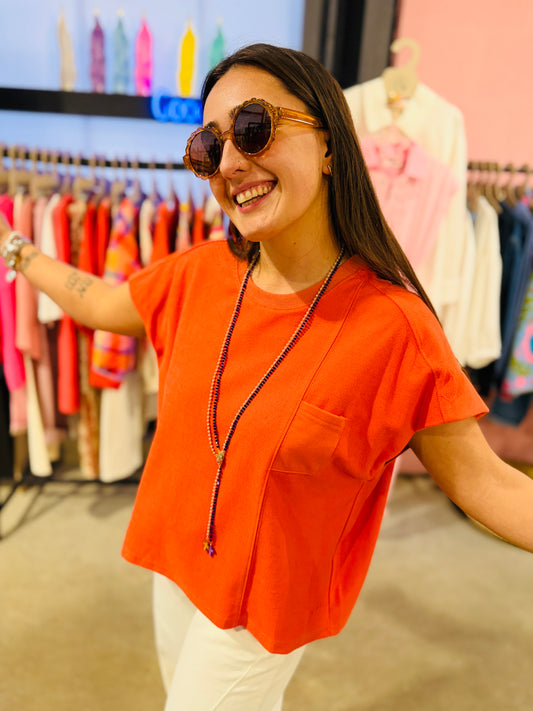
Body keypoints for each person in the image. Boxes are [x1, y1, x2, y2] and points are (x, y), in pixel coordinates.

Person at [1, 42, 532, 710]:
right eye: (207, 147)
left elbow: (486, 482)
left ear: (329, 144)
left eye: (253, 128)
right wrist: (14, 246)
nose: (228, 163)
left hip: (262, 609)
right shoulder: (198, 274)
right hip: (179, 563)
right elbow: (100, 302)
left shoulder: (393, 328)